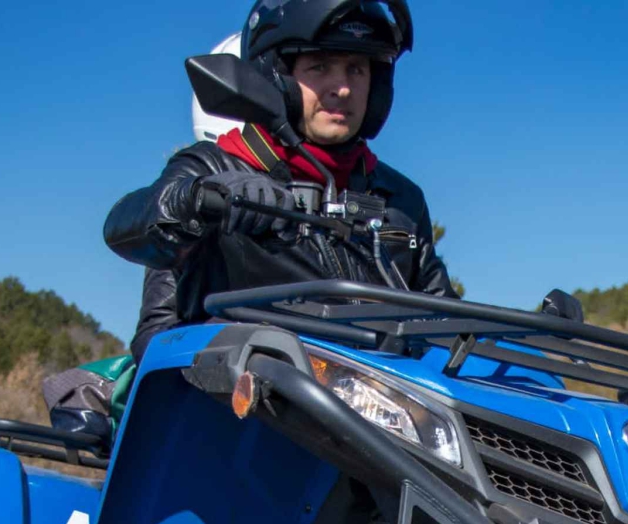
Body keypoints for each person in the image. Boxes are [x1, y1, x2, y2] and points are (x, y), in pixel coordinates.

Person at [106, 0, 454, 364]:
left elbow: (444, 318)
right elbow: (128, 226)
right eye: (320, 66)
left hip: (380, 393)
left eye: (356, 69)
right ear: (277, 77)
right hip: (241, 391)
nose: (343, 88)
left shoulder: (402, 199)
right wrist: (199, 200)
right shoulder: (211, 166)